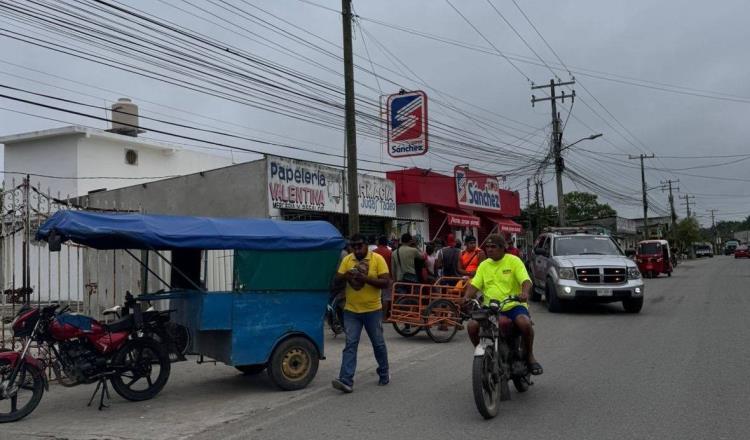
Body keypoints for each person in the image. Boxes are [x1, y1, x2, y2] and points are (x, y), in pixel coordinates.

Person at [465, 234, 542, 376]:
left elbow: (526, 281)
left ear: (503, 248)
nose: (489, 250)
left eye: (493, 247)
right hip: (490, 308)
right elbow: (474, 285)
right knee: (471, 326)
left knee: (525, 324)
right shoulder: (484, 265)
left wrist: (524, 293)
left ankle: (530, 355)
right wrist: (465, 298)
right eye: (487, 247)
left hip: (513, 305)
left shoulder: (514, 261)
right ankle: (482, 357)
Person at [332, 234, 391, 393]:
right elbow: (336, 281)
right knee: (350, 345)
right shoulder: (347, 260)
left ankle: (384, 372)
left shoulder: (377, 259)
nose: (356, 249)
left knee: (378, 344)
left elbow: (386, 282)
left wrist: (364, 278)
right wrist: (346, 276)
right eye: (353, 246)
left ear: (366, 245)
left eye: (359, 246)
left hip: (373, 310)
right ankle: (346, 380)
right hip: (351, 311)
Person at [373, 236, 393, 318]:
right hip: (386, 277)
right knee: (386, 298)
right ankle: (384, 317)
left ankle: (375, 316)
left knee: (375, 297)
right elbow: (392, 266)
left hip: (374, 278)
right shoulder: (390, 252)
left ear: (378, 242)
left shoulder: (373, 252)